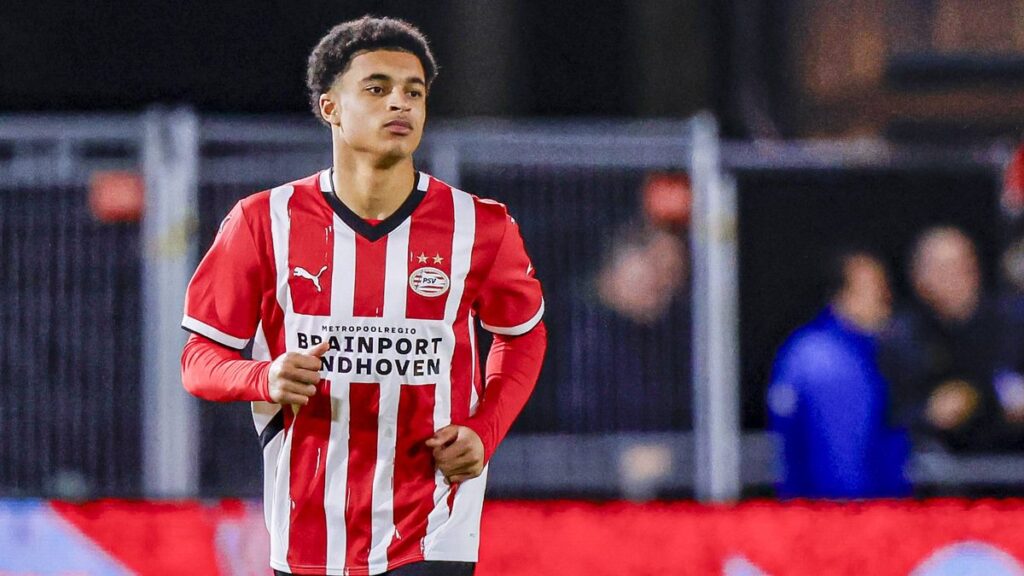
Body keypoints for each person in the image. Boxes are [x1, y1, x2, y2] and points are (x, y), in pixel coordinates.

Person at [179, 16, 547, 576]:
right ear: (330, 107)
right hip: (308, 528)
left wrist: (484, 429)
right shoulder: (262, 221)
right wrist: (264, 377)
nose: (400, 103)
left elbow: (522, 336)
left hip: (435, 525)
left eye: (414, 92)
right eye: (377, 88)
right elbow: (199, 360)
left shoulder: (481, 226)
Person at [767, 248, 910, 498]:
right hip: (841, 511)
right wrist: (859, 515)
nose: (886, 298)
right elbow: (841, 465)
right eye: (874, 289)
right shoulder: (832, 362)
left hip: (814, 508)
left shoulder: (818, 349)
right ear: (843, 296)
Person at [880, 226, 1024, 453]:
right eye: (943, 268)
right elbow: (888, 415)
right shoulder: (900, 337)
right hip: (936, 463)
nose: (957, 276)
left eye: (964, 264)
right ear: (919, 278)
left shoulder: (1012, 323)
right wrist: (928, 413)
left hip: (1010, 456)